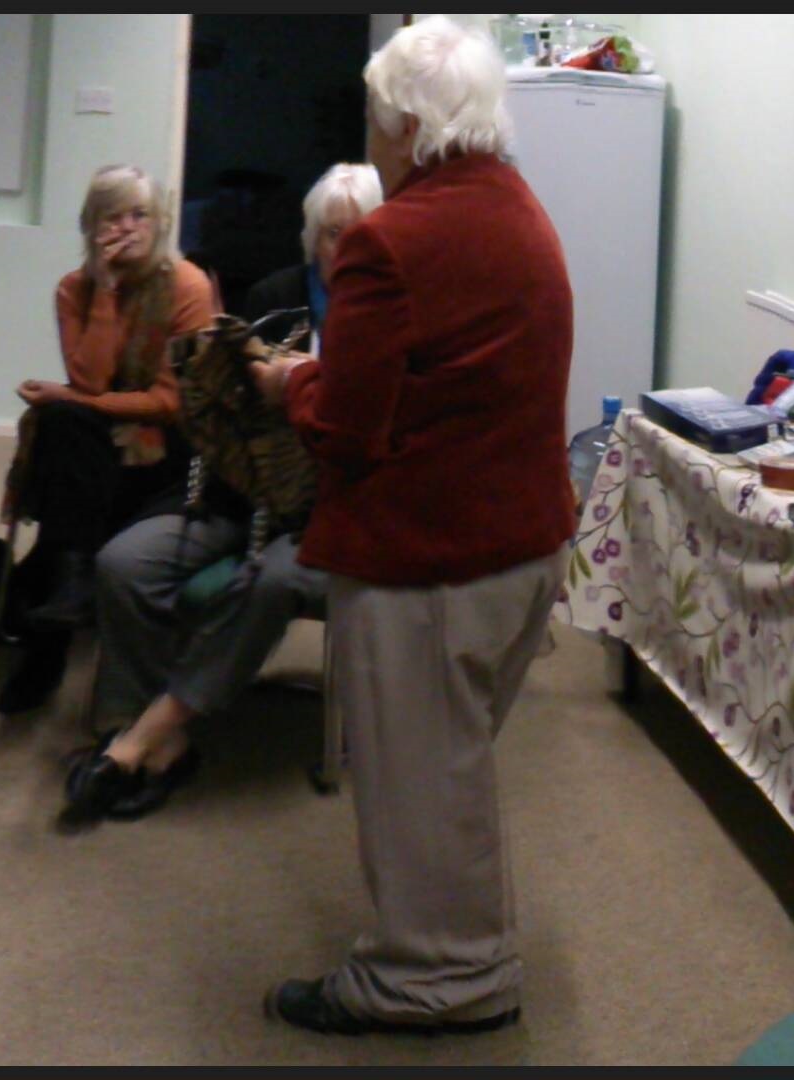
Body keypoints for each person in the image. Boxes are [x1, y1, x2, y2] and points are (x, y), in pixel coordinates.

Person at [249, 17, 574, 1036]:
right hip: (521, 545)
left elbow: (345, 430)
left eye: (373, 119)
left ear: (401, 123)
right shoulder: (518, 206)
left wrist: (290, 383)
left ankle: (437, 981)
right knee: (451, 773)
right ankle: (458, 955)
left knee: (419, 792)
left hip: (430, 559)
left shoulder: (391, 241)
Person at [58, 163, 382, 818]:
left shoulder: (391, 313)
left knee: (268, 583)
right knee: (123, 563)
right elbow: (213, 406)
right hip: (242, 490)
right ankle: (146, 734)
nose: (342, 250)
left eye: (357, 235)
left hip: (330, 512)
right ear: (312, 238)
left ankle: (140, 740)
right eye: (330, 234)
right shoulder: (274, 295)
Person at [0, 165, 219, 715]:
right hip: (95, 444)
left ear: (160, 222)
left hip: (167, 448)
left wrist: (75, 399)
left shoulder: (187, 286)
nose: (128, 227)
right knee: (61, 423)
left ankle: (49, 640)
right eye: (113, 217)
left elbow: (171, 402)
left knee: (65, 422)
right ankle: (71, 584)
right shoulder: (74, 289)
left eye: (140, 215)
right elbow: (91, 379)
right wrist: (106, 291)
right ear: (92, 227)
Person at [236, 163, 382, 340]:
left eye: (360, 235)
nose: (346, 249)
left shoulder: (398, 302)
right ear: (315, 240)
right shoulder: (272, 300)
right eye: (334, 233)